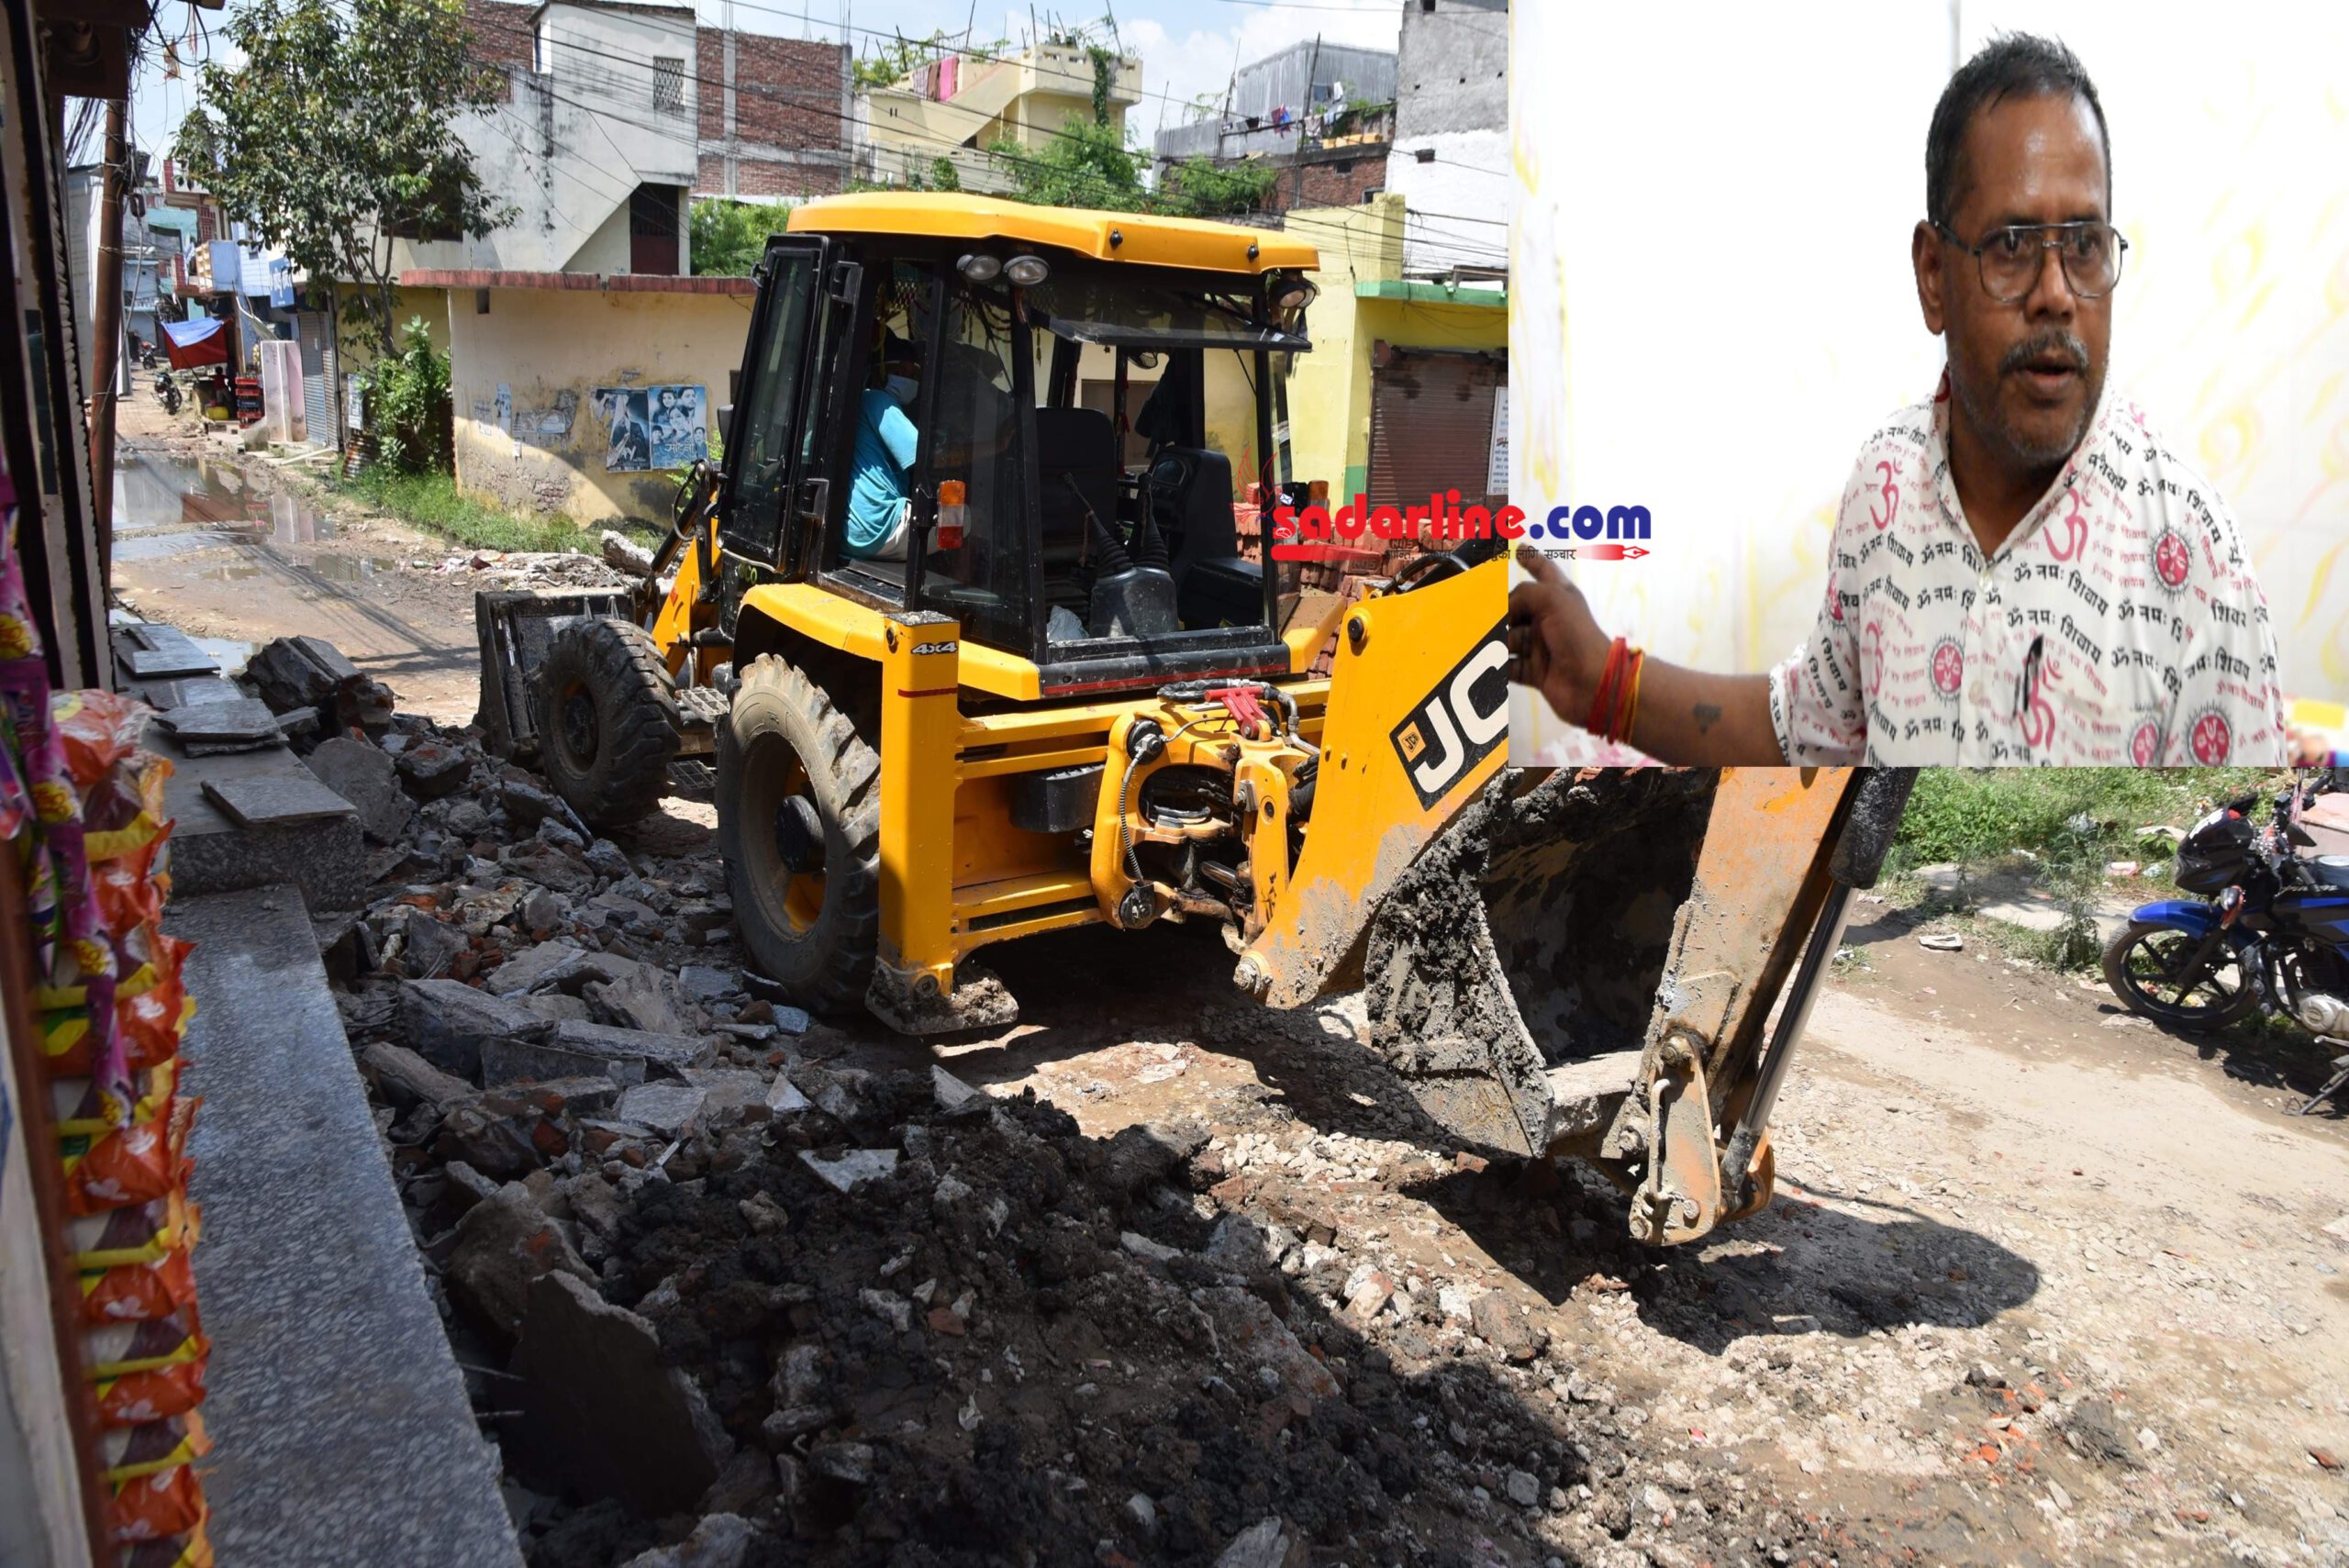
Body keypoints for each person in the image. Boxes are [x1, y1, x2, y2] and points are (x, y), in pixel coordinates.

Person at [1509, 33, 2287, 767]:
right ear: (1932, 274)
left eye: (2083, 244)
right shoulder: (1886, 488)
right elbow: (1805, 731)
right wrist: (1606, 686)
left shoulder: (2192, 555)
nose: (2056, 294)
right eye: (2011, 246)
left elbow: (2237, 861)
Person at [844, 333, 923, 561]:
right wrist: (990, 446)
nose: (907, 379)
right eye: (899, 372)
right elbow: (925, 457)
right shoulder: (880, 401)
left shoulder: (857, 403)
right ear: (880, 371)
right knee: (965, 517)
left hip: (852, 535)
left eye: (912, 374)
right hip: (878, 528)